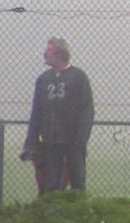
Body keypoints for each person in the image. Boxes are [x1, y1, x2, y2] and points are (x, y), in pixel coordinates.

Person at [23, 37, 94, 194]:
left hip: (74, 141)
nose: (44, 53)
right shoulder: (43, 80)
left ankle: (79, 215)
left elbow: (88, 110)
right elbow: (36, 113)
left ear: (61, 54)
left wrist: (82, 138)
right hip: (51, 142)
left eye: (49, 50)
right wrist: (30, 142)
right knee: (51, 186)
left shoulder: (78, 77)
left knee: (78, 184)